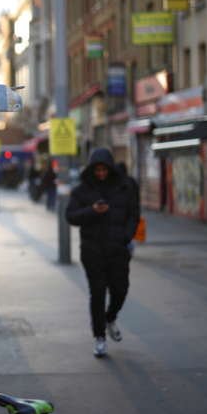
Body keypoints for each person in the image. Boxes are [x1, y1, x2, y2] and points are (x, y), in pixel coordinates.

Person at [65, 148, 139, 357]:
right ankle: (99, 337)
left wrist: (126, 236)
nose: (101, 174)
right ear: (91, 170)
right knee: (97, 293)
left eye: (104, 170)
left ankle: (110, 317)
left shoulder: (126, 187)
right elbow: (70, 216)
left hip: (118, 249)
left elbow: (134, 213)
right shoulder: (81, 191)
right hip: (92, 250)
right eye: (97, 170)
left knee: (120, 290)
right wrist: (92, 211)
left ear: (110, 168)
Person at [115, 162, 141, 256]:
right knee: (130, 231)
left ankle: (127, 248)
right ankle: (129, 248)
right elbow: (137, 196)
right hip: (131, 211)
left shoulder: (119, 182)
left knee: (125, 231)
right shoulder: (131, 181)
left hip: (123, 212)